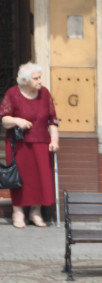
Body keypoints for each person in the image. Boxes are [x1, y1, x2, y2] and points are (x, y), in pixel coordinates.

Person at [1, 62, 59, 228]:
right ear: (25, 81)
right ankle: (18, 213)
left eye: (39, 77)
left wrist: (54, 140)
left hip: (41, 142)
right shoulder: (13, 94)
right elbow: (4, 119)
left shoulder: (44, 94)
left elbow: (52, 119)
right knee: (20, 178)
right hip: (19, 145)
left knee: (40, 178)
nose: (40, 81)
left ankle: (35, 213)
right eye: (36, 78)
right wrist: (16, 120)